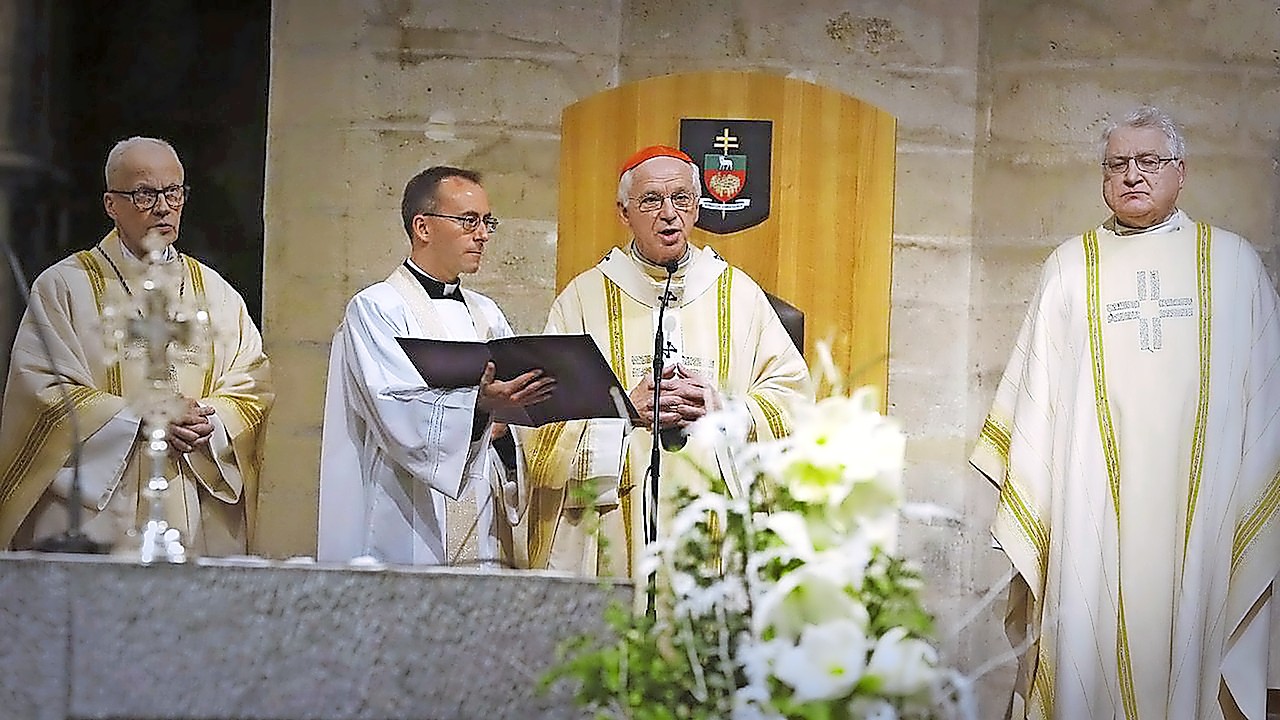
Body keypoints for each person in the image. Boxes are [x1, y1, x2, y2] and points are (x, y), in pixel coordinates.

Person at [971, 106, 1280, 719]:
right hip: (1089, 518)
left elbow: (1267, 402)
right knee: (1085, 641)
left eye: (1148, 161)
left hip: (1205, 514)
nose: (1132, 176)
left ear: (1181, 172)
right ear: (1103, 178)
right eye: (1117, 164)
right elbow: (1035, 400)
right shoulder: (1068, 267)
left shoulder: (1234, 266)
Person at [521, 145, 812, 580]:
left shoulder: (738, 295)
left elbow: (793, 400)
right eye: (652, 200)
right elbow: (542, 421)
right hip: (615, 518)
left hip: (711, 512)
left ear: (697, 207)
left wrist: (723, 408)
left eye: (681, 198)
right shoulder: (584, 298)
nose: (669, 213)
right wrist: (622, 411)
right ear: (624, 213)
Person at [0, 136, 274, 555]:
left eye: (174, 192)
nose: (163, 207)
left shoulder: (216, 293)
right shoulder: (64, 287)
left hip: (191, 502)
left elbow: (251, 383)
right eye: (145, 194)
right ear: (111, 204)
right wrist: (136, 418)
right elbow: (43, 394)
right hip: (99, 509)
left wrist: (209, 422)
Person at [318, 166, 554, 567]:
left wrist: (505, 422)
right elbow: (393, 411)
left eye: (486, 222)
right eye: (468, 221)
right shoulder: (376, 308)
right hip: (406, 522)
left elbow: (508, 423)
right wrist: (478, 409)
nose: (482, 234)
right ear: (423, 227)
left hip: (481, 526)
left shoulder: (488, 314)